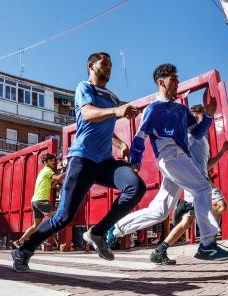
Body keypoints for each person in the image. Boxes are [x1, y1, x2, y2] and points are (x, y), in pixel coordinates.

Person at [12, 52, 146, 272]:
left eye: (111, 65)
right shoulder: (84, 88)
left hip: (104, 162)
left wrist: (120, 144)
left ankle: (98, 232)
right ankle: (24, 249)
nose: (109, 68)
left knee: (136, 186)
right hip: (82, 159)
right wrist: (116, 110)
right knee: (63, 218)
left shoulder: (112, 97)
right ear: (91, 66)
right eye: (105, 64)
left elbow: (103, 126)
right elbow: (87, 115)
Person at [106, 64, 228, 261]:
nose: (176, 83)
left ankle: (115, 229)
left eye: (177, 79)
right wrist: (135, 163)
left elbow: (198, 134)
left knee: (159, 212)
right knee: (202, 188)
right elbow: (140, 138)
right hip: (169, 155)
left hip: (179, 158)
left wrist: (208, 115)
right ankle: (207, 244)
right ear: (161, 82)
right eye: (173, 79)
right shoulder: (153, 109)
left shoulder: (182, 110)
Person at [147, 104, 228, 264]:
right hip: (197, 182)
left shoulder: (201, 139)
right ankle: (208, 241)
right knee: (221, 206)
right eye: (196, 117)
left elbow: (206, 164)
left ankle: (160, 251)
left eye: (198, 117)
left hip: (196, 182)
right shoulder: (191, 136)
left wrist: (222, 152)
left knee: (187, 221)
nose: (198, 120)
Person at [13, 153, 65, 248]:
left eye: (53, 160)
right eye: (51, 160)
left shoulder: (43, 172)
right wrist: (69, 170)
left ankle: (19, 241)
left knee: (35, 225)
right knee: (59, 215)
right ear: (45, 162)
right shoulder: (47, 170)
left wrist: (57, 180)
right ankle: (40, 239)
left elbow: (52, 185)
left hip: (35, 201)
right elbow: (58, 178)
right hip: (41, 201)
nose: (53, 162)